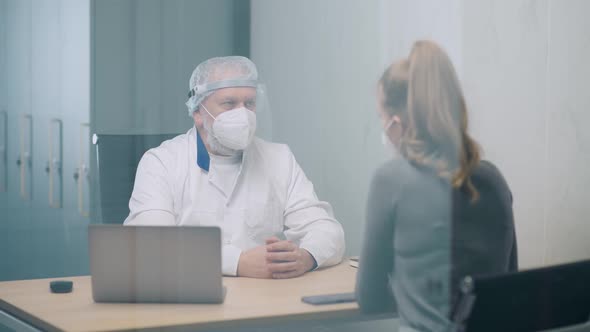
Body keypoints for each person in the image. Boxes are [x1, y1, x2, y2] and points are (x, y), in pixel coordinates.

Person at [124, 56, 345, 279]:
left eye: (249, 103)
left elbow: (327, 231)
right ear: (198, 112)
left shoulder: (279, 158)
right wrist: (237, 263)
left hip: (265, 299)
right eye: (229, 104)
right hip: (188, 298)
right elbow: (150, 245)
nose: (243, 114)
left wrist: (305, 257)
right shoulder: (161, 162)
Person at [355, 40, 518, 331]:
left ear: (397, 122)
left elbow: (369, 298)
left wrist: (411, 289)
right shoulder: (493, 179)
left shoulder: (391, 180)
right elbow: (509, 280)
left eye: (381, 117)